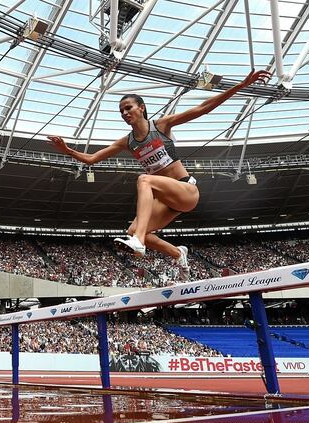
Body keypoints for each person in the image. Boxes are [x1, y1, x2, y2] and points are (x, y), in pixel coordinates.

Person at [48, 70, 271, 279]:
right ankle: (176, 253)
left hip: (186, 190)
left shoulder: (161, 125)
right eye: (122, 111)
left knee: (144, 180)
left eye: (129, 108)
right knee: (134, 229)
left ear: (142, 108)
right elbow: (91, 159)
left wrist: (241, 85)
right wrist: (67, 150)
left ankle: (138, 242)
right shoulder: (127, 142)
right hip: (167, 201)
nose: (125, 113)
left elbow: (204, 108)